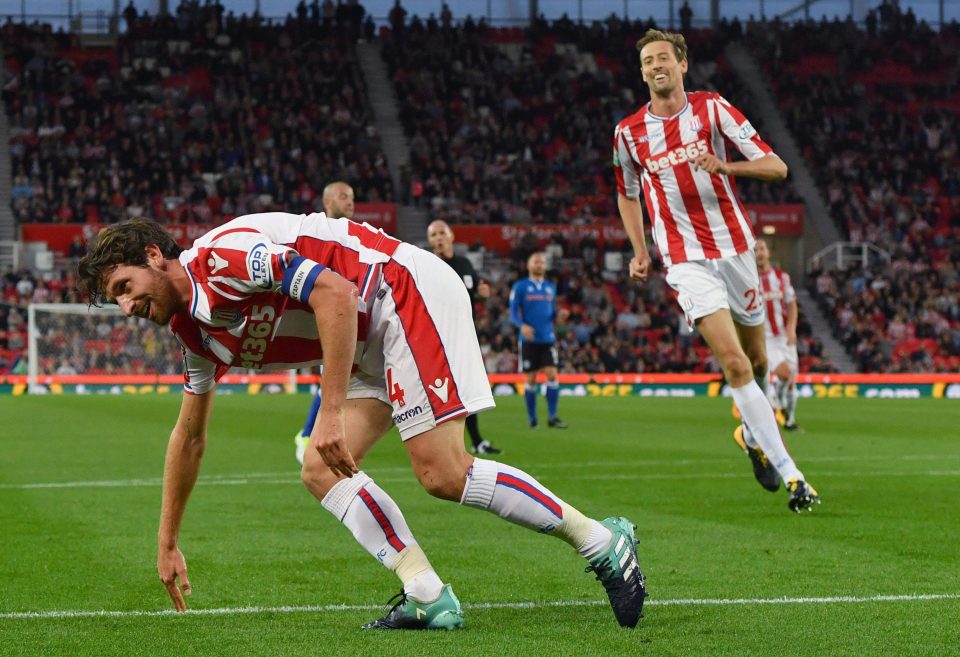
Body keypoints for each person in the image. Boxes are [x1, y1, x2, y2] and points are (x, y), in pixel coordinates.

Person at [76, 214, 646, 628]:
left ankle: (602, 541)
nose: (126, 307)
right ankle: (426, 593)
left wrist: (328, 411)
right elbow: (191, 434)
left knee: (442, 473)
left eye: (124, 288)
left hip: (402, 291)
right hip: (367, 337)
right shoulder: (192, 335)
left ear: (156, 256)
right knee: (320, 470)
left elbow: (336, 292)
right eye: (115, 301)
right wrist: (167, 540)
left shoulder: (223, 257)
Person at [612, 29, 819, 513]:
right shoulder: (628, 133)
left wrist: (727, 169)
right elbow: (627, 193)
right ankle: (793, 475)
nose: (656, 65)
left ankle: (750, 434)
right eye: (648, 61)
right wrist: (640, 250)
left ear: (683, 65)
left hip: (736, 250)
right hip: (684, 260)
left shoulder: (713, 109)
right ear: (641, 72)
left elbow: (776, 166)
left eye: (664, 57)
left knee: (760, 362)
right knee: (736, 364)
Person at [294, 181, 357, 464]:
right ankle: (309, 434)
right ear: (327, 202)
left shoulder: (356, 238)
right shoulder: (312, 234)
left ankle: (315, 433)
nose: (350, 202)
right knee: (332, 377)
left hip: (350, 315)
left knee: (341, 379)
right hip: (323, 316)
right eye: (344, 197)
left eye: (353, 198)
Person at [426, 219, 502, 455]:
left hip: (464, 335)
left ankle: (475, 441)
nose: (438, 237)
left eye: (442, 233)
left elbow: (475, 294)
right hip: (437, 336)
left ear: (451, 236)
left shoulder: (465, 263)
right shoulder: (427, 266)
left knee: (465, 389)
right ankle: (437, 442)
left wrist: (482, 296)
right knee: (440, 390)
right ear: (430, 241)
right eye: (434, 234)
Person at [509, 252, 568, 429]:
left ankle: (552, 416)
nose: (539, 264)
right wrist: (522, 326)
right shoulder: (520, 286)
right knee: (531, 379)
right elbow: (512, 311)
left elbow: (549, 313)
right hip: (528, 340)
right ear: (529, 265)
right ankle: (533, 418)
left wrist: (559, 315)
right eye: (536, 261)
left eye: (542, 262)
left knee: (552, 375)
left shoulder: (550, 287)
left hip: (547, 338)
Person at [755, 239, 800, 431]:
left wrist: (791, 329)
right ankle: (777, 398)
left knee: (791, 382)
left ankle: (789, 420)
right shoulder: (750, 282)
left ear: (768, 252)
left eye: (762, 248)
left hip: (785, 337)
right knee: (785, 373)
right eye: (755, 250)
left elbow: (791, 305)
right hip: (767, 340)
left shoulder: (782, 278)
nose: (759, 253)